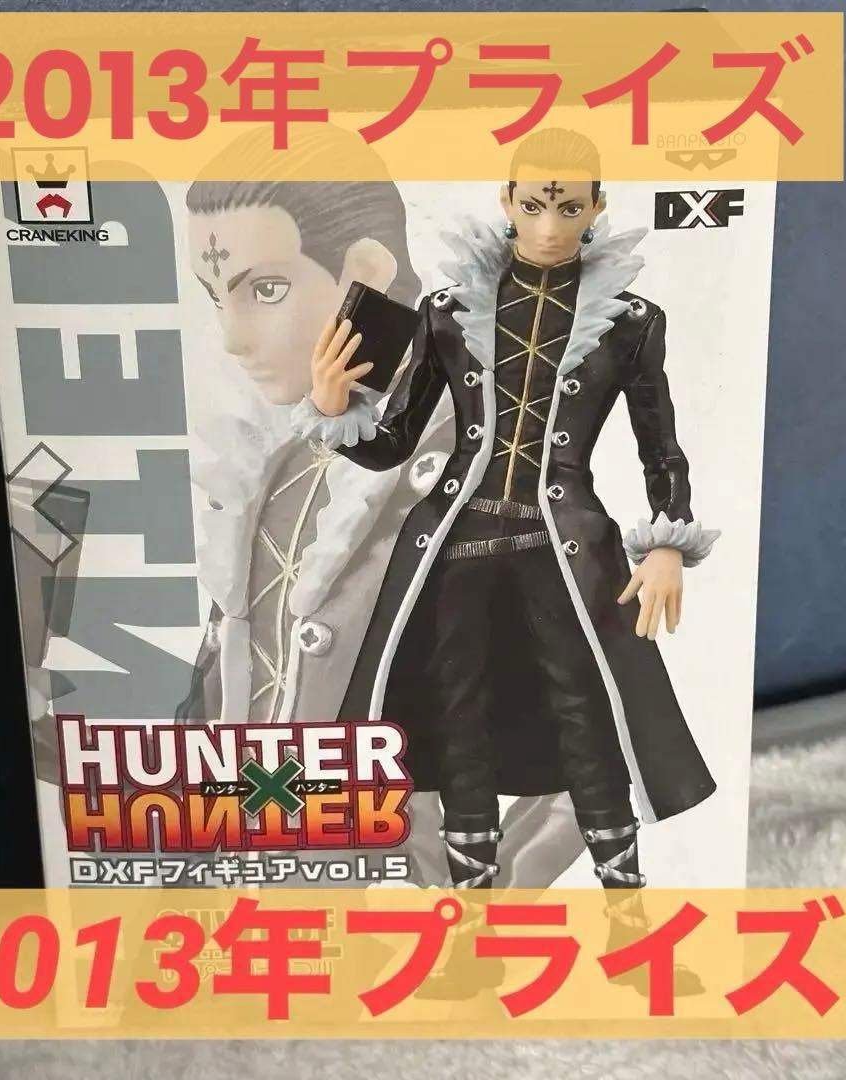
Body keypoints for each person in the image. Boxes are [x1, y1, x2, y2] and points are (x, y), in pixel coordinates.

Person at [293, 129, 720, 985]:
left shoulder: (632, 322)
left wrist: (669, 541)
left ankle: (629, 929)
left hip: (566, 550)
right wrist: (333, 407)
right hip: (452, 549)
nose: (550, 224)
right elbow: (395, 440)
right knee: (459, 728)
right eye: (533, 204)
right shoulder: (447, 309)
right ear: (507, 201)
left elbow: (661, 448)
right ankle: (472, 934)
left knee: (590, 723)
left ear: (596, 206)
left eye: (568, 206)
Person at [177, 127, 589, 892]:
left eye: (264, 290)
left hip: (394, 909)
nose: (233, 338)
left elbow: (591, 733)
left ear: (365, 271)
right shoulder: (279, 467)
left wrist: (483, 899)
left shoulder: (481, 461)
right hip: (255, 896)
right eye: (217, 298)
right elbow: (234, 684)